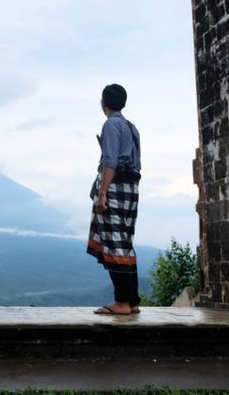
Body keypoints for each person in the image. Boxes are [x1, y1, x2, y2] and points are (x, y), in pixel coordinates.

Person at [87, 83, 142, 315]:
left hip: (116, 188)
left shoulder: (111, 124)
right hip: (131, 190)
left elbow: (110, 161)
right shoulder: (132, 127)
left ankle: (121, 302)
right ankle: (132, 301)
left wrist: (102, 194)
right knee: (125, 243)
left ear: (103, 104)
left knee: (115, 243)